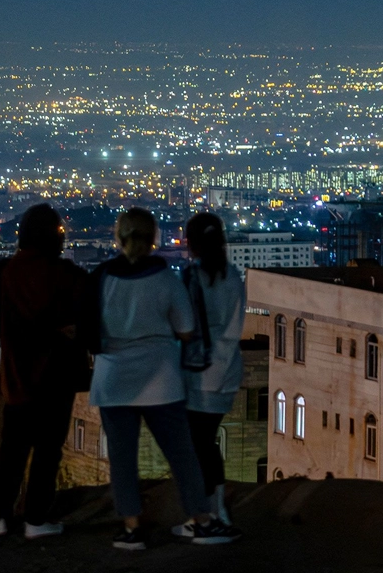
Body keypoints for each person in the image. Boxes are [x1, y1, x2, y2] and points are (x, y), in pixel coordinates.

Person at [88, 208, 240, 550]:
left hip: (113, 379)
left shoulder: (101, 277)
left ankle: (132, 528)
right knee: (182, 455)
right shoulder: (166, 279)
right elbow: (186, 330)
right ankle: (202, 520)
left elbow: (88, 329)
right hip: (161, 379)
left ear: (119, 237)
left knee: (122, 460)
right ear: (154, 238)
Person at [0, 204, 90, 539]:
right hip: (58, 374)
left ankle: (0, 516)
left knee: (12, 448)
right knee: (47, 449)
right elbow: (85, 320)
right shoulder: (67, 275)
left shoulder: (4, 272)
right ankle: (36, 520)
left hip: (17, 372)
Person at [172, 212, 245, 536]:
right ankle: (216, 512)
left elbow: (182, 325)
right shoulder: (233, 277)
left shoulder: (192, 277)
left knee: (197, 446)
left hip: (198, 373)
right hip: (226, 373)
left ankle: (205, 518)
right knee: (206, 443)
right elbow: (234, 328)